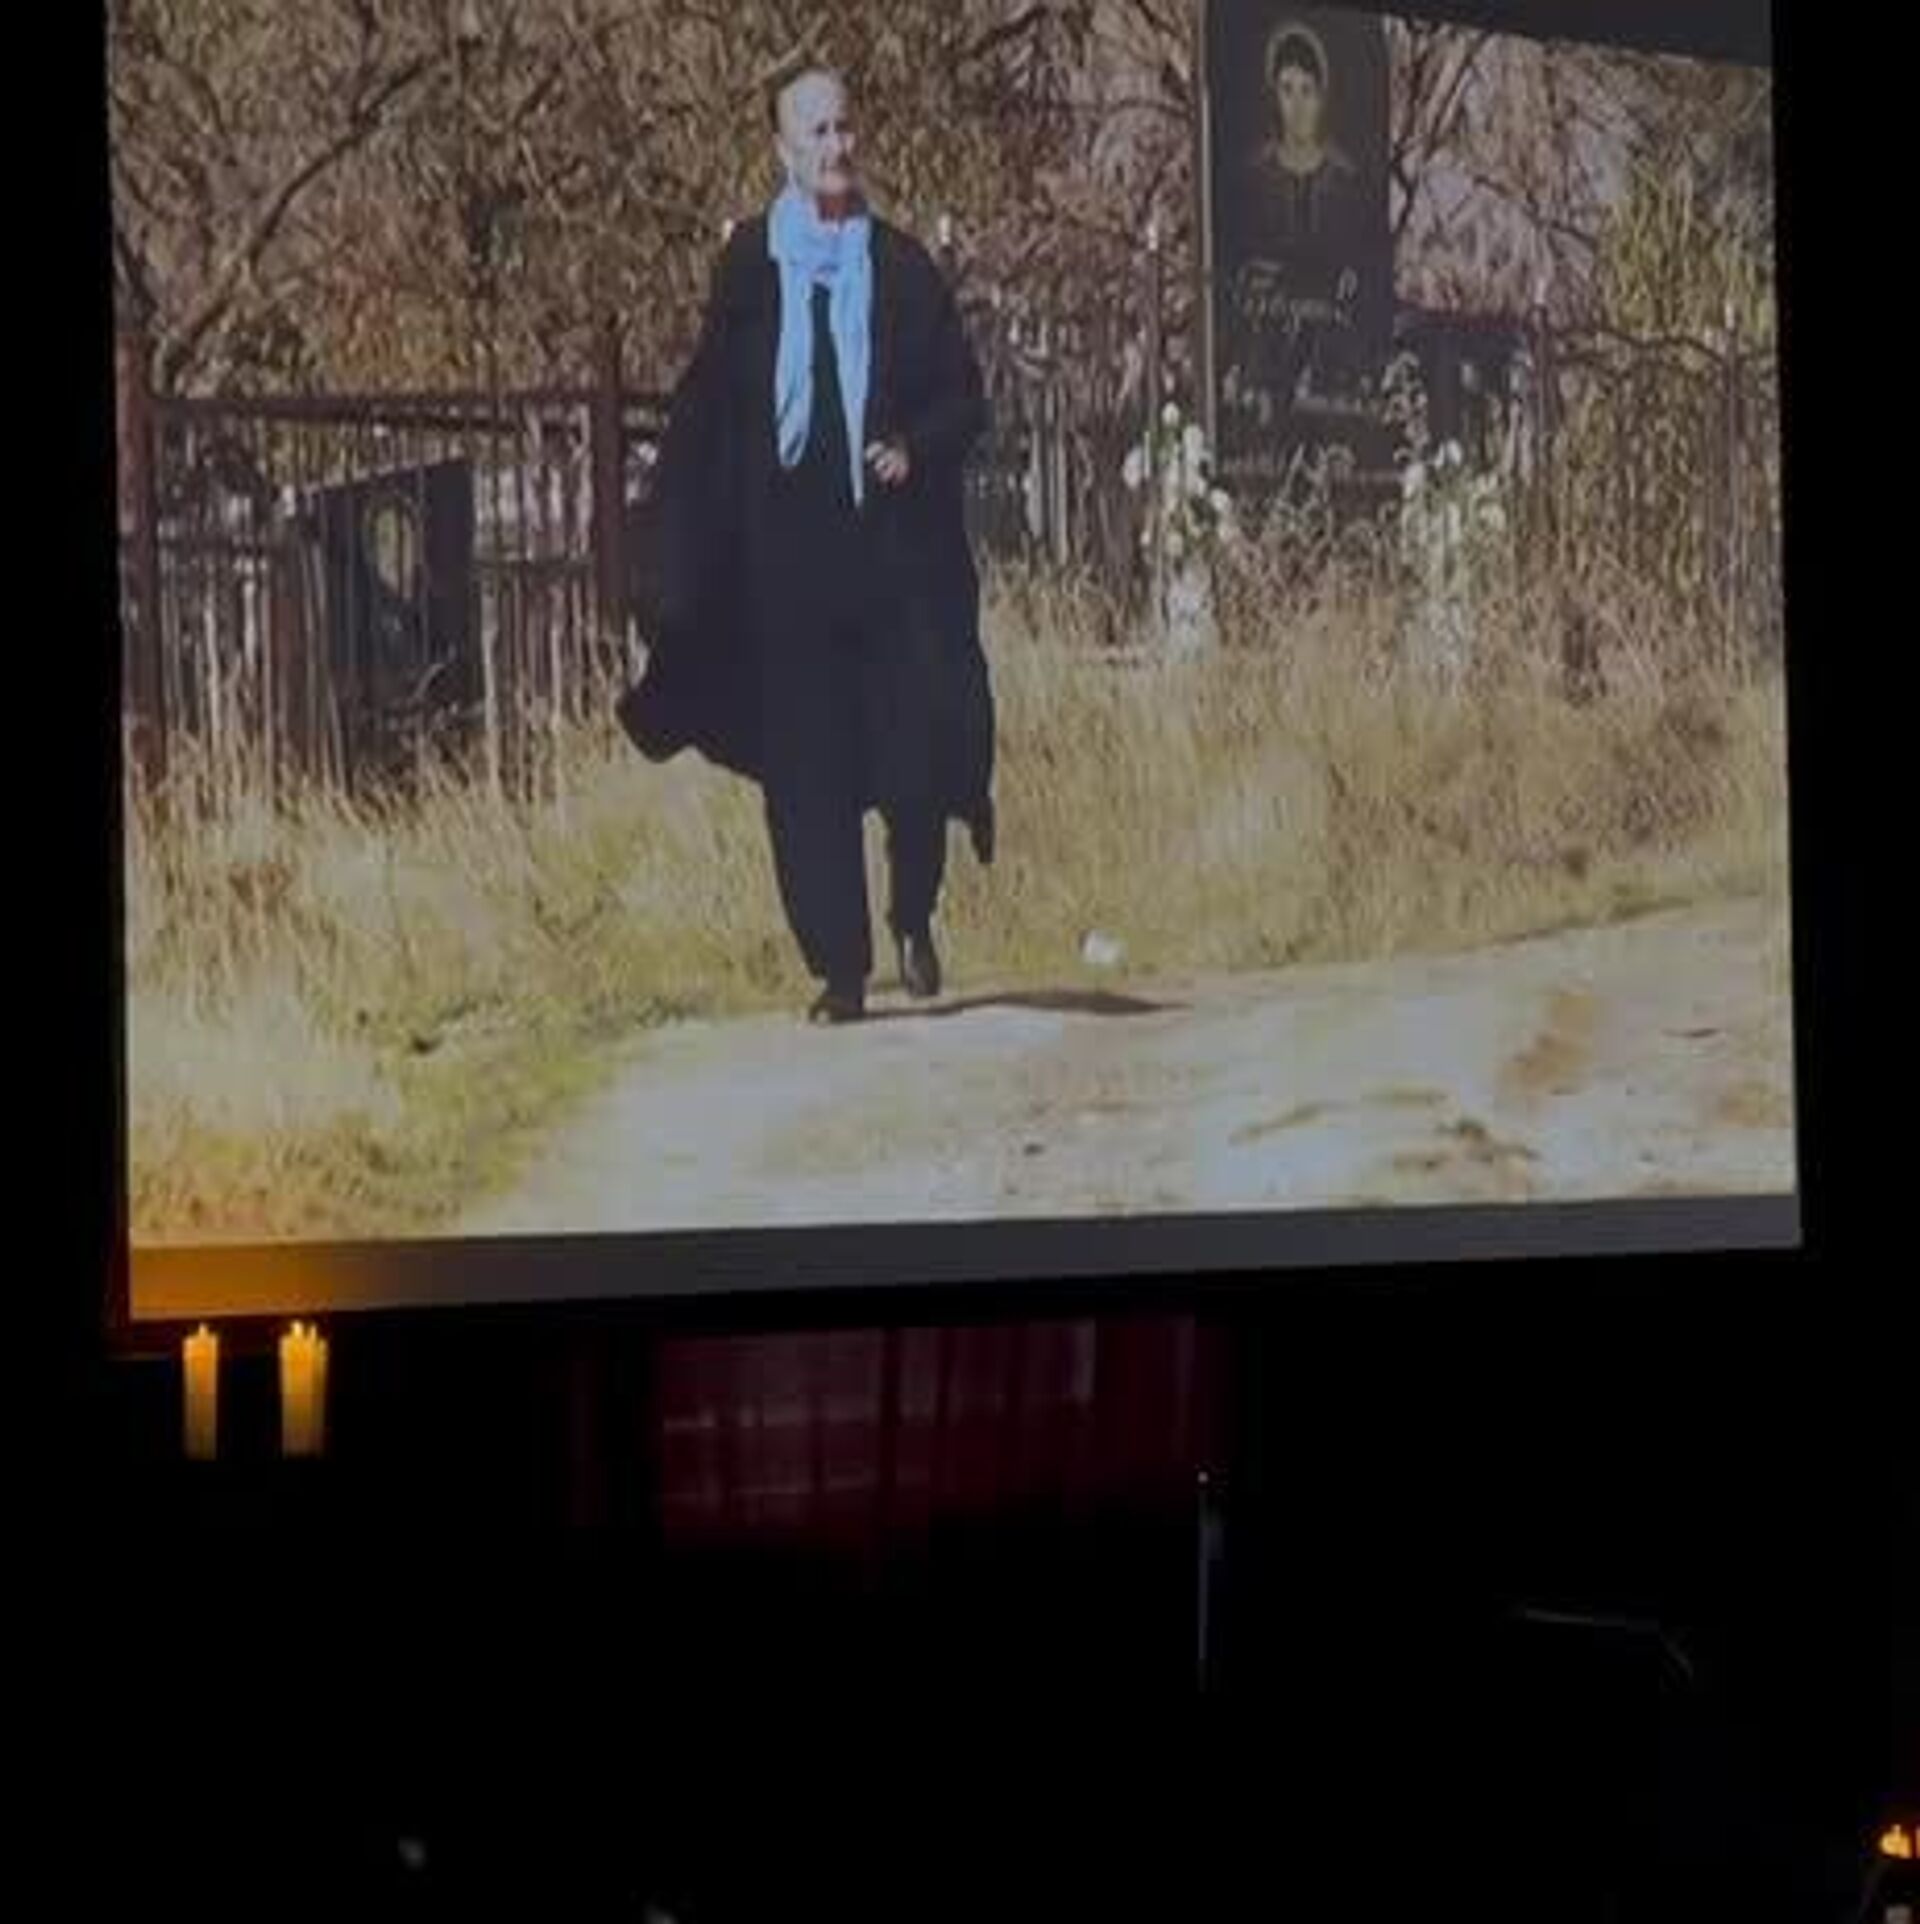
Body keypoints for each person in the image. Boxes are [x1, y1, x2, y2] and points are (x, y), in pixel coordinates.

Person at [619, 65, 995, 1026]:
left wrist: (913, 447)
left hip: (889, 560)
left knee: (914, 748)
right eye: (816, 132)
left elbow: (966, 398)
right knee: (807, 771)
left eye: (844, 128)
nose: (836, 147)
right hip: (783, 564)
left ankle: (912, 913)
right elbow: (711, 407)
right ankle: (840, 967)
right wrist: (673, 544)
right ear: (782, 150)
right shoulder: (750, 267)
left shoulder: (901, 269)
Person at [1247, 24, 1360, 248]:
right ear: (1275, 96)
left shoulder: (1346, 181)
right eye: (1287, 90)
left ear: (1320, 97)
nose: (1297, 106)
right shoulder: (1255, 178)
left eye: (1307, 90)